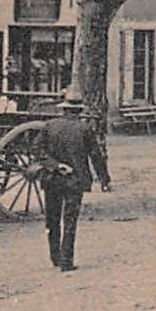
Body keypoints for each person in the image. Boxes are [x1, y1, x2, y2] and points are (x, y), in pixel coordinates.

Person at [41, 105, 111, 272]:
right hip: (75, 180)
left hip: (52, 178)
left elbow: (36, 150)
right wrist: (104, 179)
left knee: (52, 219)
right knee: (70, 220)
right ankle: (66, 261)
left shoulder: (49, 126)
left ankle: (55, 257)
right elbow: (96, 155)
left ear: (64, 110)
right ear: (79, 111)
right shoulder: (84, 129)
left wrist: (55, 165)